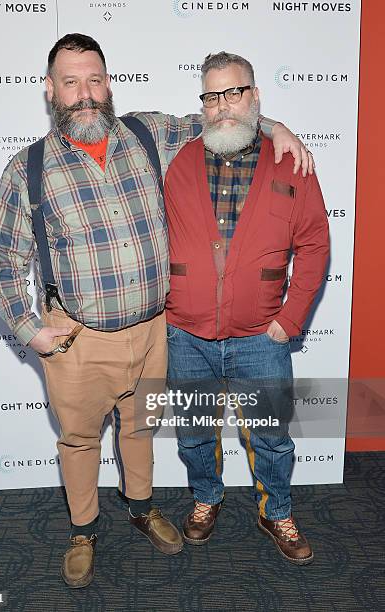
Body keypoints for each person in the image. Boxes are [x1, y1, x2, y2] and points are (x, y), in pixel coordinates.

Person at [0, 34, 314, 588]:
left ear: (108, 83)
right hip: (78, 341)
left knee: (139, 430)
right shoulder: (28, 168)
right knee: (81, 440)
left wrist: (277, 126)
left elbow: (224, 116)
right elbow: (1, 263)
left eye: (94, 79)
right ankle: (83, 531)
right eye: (71, 82)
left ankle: (141, 508)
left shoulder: (147, 132)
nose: (85, 93)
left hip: (155, 331)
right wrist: (33, 332)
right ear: (50, 90)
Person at [164, 51, 329, 565]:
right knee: (193, 433)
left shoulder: (290, 163)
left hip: (263, 336)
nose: (222, 106)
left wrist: (291, 319)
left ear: (254, 97)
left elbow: (316, 244)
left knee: (272, 437)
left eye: (233, 93)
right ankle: (205, 498)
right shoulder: (177, 157)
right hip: (186, 335)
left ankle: (275, 509)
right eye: (212, 96)